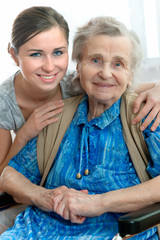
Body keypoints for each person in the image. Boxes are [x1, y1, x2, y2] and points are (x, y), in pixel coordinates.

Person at [1, 16, 160, 240]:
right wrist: (44, 197)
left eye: (118, 64)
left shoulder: (144, 113)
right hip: (36, 230)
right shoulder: (57, 115)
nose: (105, 73)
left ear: (130, 74)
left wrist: (99, 203)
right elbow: (9, 175)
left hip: (112, 232)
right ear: (78, 66)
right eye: (95, 60)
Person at [1, 6, 160, 179]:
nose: (49, 67)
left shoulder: (74, 82)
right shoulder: (4, 103)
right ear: (14, 55)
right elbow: (3, 177)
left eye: (58, 52)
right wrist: (24, 134)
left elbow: (117, 84)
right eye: (36, 54)